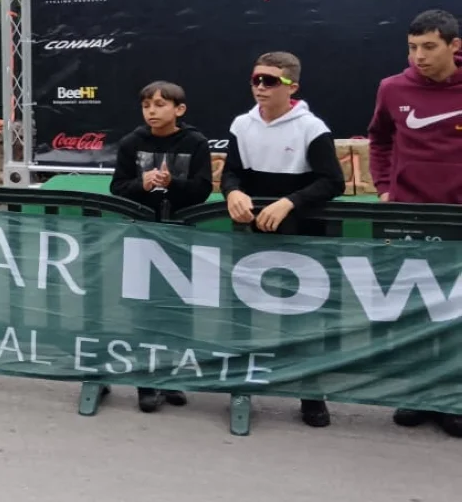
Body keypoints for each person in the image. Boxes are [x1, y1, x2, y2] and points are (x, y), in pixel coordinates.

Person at [221, 51, 345, 428]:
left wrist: (290, 202)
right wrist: (232, 192)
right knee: (244, 314)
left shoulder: (311, 127)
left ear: (292, 86)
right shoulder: (242, 124)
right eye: (256, 79)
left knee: (305, 318)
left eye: (270, 81)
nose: (260, 86)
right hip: (251, 234)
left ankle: (311, 393)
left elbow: (332, 181)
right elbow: (231, 173)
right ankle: (243, 387)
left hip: (302, 237)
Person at [367, 9, 462, 437]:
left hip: (458, 219)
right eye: (412, 48)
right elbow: (380, 140)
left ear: (454, 47)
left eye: (429, 47)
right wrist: (386, 187)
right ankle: (418, 393)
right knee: (417, 311)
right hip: (409, 215)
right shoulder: (392, 88)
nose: (418, 57)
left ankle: (454, 396)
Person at [110, 80, 214, 412]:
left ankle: (172, 377)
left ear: (179, 110)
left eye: (159, 104)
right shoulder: (130, 143)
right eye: (146, 106)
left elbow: (202, 190)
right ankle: (146, 381)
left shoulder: (195, 143)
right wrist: (142, 183)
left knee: (178, 310)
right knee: (144, 309)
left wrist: (174, 183)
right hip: (143, 237)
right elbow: (118, 188)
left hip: (182, 238)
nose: (152, 111)